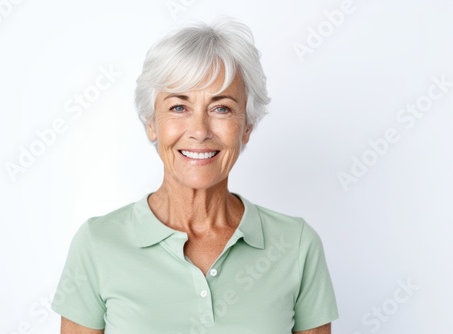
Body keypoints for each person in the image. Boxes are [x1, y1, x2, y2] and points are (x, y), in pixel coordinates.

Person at [51, 18, 338, 334]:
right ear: (151, 123)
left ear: (247, 127)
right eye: (178, 107)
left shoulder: (297, 245)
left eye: (221, 108)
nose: (199, 131)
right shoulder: (98, 243)